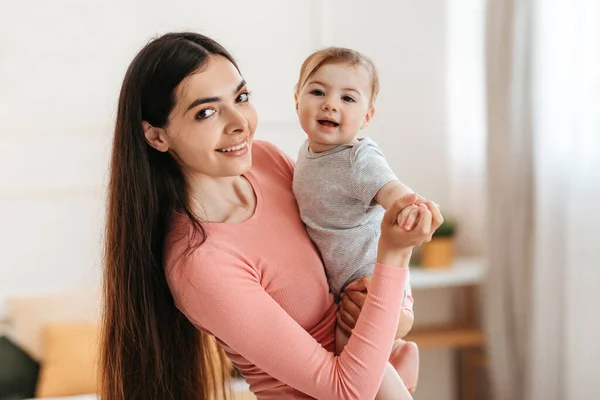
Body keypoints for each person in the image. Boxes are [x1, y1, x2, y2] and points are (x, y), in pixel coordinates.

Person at [100, 31, 443, 400]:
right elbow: (347, 391)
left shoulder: (266, 161)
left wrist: (393, 314)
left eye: (241, 98)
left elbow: (347, 246)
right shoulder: (200, 263)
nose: (239, 123)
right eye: (206, 112)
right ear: (156, 137)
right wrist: (395, 254)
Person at [292, 47, 435, 394]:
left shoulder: (358, 158)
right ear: (297, 100)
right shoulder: (309, 152)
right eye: (317, 92)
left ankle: (395, 383)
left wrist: (410, 208)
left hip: (370, 281)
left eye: (347, 98)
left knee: (349, 358)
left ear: (367, 116)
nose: (330, 104)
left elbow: (392, 191)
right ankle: (396, 356)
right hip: (347, 285)